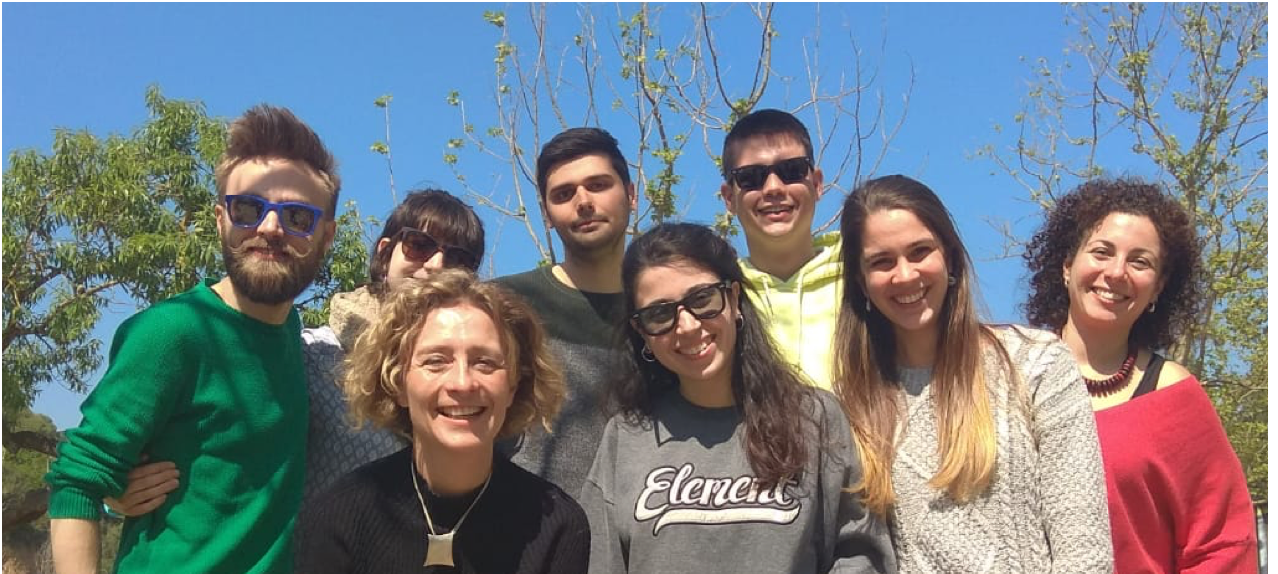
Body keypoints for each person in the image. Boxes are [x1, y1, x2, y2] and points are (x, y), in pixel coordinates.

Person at [45, 105, 340, 573]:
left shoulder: (291, 335)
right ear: (221, 218)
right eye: (249, 209)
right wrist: (109, 493)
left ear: (326, 236)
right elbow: (78, 480)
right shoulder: (172, 332)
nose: (270, 227)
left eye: (298, 216)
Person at [105, 189, 488, 511]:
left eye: (459, 259)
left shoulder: (479, 382)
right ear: (386, 253)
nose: (437, 265)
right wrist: (114, 489)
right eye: (419, 245)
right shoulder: (311, 355)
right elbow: (217, 437)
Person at [832, 175, 1111, 571]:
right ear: (861, 282)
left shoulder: (1037, 363)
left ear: (949, 257)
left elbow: (1084, 547)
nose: (905, 275)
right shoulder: (849, 408)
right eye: (882, 262)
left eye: (919, 251)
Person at [581, 222, 894, 574]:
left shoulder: (815, 418)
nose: (687, 326)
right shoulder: (625, 437)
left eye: (702, 299)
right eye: (659, 313)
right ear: (642, 332)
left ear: (734, 299)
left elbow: (861, 552)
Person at [1023, 178, 1258, 572]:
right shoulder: (1004, 376)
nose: (1116, 272)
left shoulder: (1173, 397)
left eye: (1140, 262)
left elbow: (1224, 543)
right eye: (1102, 252)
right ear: (1067, 266)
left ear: (1159, 287)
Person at [294, 270, 590, 574]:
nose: (462, 383)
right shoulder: (340, 517)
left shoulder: (557, 527)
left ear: (513, 385)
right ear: (398, 383)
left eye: (485, 362)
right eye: (436, 361)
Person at [495, 127, 634, 495]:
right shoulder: (502, 304)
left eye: (598, 185)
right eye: (563, 193)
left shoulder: (672, 314)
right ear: (546, 214)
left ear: (632, 194)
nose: (583, 201)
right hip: (528, 524)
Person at [718, 108, 840, 389]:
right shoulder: (717, 300)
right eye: (751, 177)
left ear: (817, 184)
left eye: (791, 171)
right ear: (729, 198)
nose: (773, 188)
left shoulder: (867, 276)